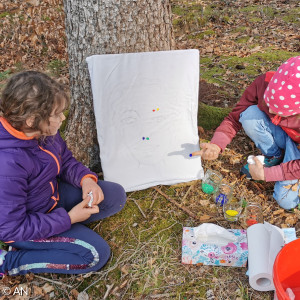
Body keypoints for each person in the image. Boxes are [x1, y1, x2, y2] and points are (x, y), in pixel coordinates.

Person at [0, 71, 127, 277]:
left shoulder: (43, 131)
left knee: (115, 196)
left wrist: (86, 179)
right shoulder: (7, 164)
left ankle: (57, 238)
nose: (63, 118)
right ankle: (9, 261)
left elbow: (65, 159)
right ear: (32, 120)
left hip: (51, 198)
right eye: (57, 114)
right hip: (25, 228)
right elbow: (11, 229)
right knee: (95, 255)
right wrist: (68, 218)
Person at [193, 56, 300, 210]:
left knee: (286, 201)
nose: (269, 111)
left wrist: (267, 175)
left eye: (279, 111)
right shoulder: (264, 82)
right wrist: (217, 144)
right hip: (284, 135)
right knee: (250, 115)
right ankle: (276, 156)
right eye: (268, 103)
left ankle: (287, 169)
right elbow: (235, 117)